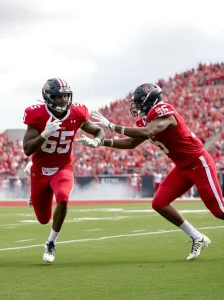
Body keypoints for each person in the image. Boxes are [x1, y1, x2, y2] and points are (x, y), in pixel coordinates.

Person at [79, 83, 224, 260]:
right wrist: (101, 142)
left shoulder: (164, 110)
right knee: (159, 203)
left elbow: (149, 131)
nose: (137, 106)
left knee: (220, 212)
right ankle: (197, 237)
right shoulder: (144, 120)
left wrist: (111, 126)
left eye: (139, 102)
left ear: (150, 101)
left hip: (199, 163)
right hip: (182, 167)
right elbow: (132, 143)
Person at [23, 78, 105, 263]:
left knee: (63, 197)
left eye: (65, 96)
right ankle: (31, 175)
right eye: (58, 96)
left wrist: (96, 141)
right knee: (43, 219)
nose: (62, 100)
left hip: (62, 167)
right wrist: (45, 133)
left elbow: (99, 131)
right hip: (40, 169)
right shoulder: (36, 115)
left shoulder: (77, 112)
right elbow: (27, 149)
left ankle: (51, 242)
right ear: (48, 97)